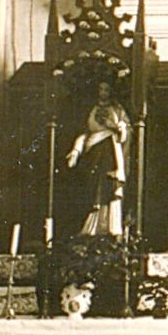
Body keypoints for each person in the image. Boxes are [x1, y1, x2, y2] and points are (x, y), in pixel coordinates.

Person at [66, 81, 130, 235]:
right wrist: (75, 151)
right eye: (100, 89)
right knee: (93, 189)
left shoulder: (118, 110)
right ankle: (90, 228)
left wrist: (117, 127)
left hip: (111, 153)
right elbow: (84, 133)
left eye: (107, 89)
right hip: (93, 154)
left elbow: (125, 133)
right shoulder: (90, 110)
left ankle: (110, 228)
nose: (103, 92)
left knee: (109, 188)